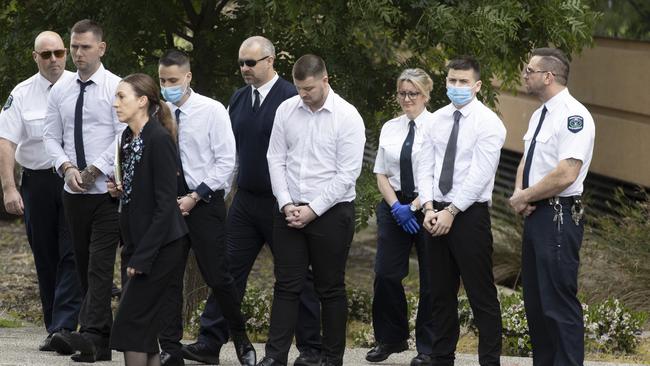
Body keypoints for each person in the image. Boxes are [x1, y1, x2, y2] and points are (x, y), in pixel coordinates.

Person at [185, 36, 322, 366]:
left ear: (270, 61)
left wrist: (298, 201)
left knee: (295, 276)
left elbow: (303, 152)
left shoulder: (292, 97)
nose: (245, 68)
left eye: (251, 62)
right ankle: (210, 341)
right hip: (245, 201)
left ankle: (311, 349)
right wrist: (223, 191)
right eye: (241, 63)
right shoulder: (238, 99)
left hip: (282, 201)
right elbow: (231, 153)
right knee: (226, 271)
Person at [257, 54, 366, 366]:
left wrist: (313, 210)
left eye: (309, 88)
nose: (303, 94)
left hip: (331, 212)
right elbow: (275, 158)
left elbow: (347, 174)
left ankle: (331, 358)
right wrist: (286, 203)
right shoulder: (286, 110)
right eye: (299, 88)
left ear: (325, 80)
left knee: (330, 288)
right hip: (290, 209)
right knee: (286, 286)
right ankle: (274, 357)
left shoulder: (347, 116)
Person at [155, 49, 255, 366]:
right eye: (162, 80)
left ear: (188, 77)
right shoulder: (158, 112)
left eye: (173, 80)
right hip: (168, 204)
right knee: (168, 276)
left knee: (219, 276)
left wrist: (195, 196)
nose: (167, 85)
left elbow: (226, 162)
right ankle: (170, 345)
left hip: (204, 202)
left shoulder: (211, 110)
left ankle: (240, 338)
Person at [43, 19, 124, 363]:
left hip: (105, 193)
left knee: (99, 267)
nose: (77, 53)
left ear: (101, 48)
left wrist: (94, 170)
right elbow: (50, 135)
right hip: (72, 192)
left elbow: (124, 134)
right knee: (82, 266)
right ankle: (101, 341)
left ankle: (90, 335)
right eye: (74, 46)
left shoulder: (116, 87)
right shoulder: (60, 89)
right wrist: (67, 168)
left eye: (85, 47)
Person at [417, 56, 505, 366]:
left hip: (469, 216)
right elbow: (424, 166)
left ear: (477, 85)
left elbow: (480, 174)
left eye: (463, 82)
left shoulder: (489, 123)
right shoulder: (435, 120)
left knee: (481, 295)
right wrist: (428, 207)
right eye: (452, 81)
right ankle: (442, 357)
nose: (457, 87)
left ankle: (489, 360)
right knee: (439, 294)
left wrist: (452, 212)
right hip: (434, 214)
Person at [509, 47, 595, 366]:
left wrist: (526, 196)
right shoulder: (539, 114)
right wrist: (521, 193)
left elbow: (566, 173)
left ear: (548, 76)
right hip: (536, 215)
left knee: (558, 304)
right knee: (536, 303)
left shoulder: (574, 116)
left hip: (559, 216)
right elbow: (528, 159)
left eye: (529, 71)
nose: (525, 75)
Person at [0, 31, 82, 353]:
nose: (53, 60)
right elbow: (6, 141)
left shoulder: (82, 87)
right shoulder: (21, 94)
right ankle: (54, 328)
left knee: (72, 251)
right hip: (37, 182)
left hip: (76, 181)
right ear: (35, 57)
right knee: (45, 255)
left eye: (59, 53)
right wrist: (8, 187)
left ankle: (64, 324)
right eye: (45, 55)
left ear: (66, 53)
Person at [105, 73, 188, 366]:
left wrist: (142, 258)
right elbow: (142, 192)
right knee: (144, 327)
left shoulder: (159, 140)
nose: (115, 103)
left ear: (142, 101)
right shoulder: (129, 138)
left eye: (121, 97)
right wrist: (120, 189)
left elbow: (166, 205)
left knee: (130, 324)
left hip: (160, 248)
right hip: (137, 244)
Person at [366, 68, 435, 366]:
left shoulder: (438, 127)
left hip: (428, 205)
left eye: (413, 93)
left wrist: (416, 206)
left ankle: (428, 348)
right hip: (394, 205)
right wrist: (396, 207)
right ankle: (390, 339)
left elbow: (437, 175)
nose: (407, 99)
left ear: (426, 95)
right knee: (385, 274)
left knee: (432, 279)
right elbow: (381, 173)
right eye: (402, 93)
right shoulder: (390, 127)